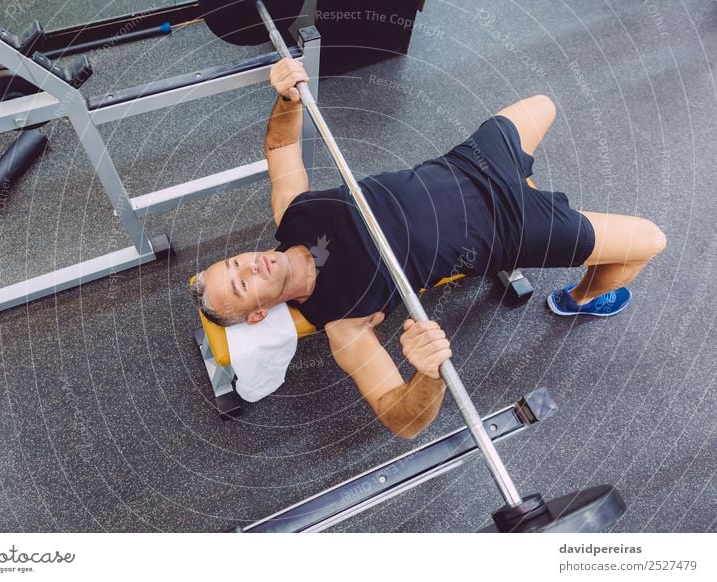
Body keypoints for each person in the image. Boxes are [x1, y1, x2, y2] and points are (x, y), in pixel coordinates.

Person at [190, 59, 667, 438]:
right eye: (242, 282)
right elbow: (400, 419)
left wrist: (287, 95)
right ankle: (578, 299)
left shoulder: (292, 212)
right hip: (512, 228)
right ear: (257, 315)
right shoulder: (344, 322)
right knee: (650, 241)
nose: (249, 263)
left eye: (235, 261)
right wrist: (428, 377)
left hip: (469, 163)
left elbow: (279, 148)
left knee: (543, 102)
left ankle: (534, 198)